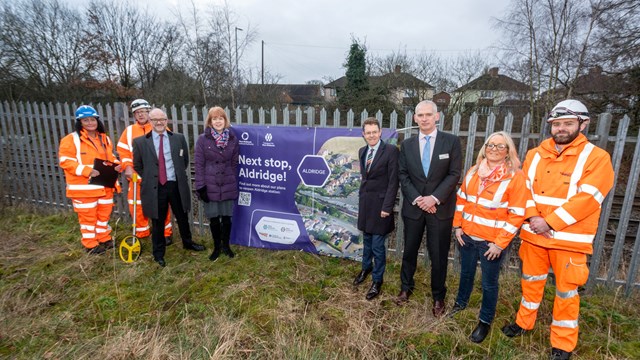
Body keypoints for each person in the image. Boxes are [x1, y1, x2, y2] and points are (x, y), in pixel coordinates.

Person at [501, 100, 614, 360]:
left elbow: (589, 198)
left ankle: (562, 344)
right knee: (530, 283)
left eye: (568, 124)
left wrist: (549, 222)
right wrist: (532, 218)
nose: (561, 129)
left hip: (568, 241)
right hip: (534, 235)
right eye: (557, 124)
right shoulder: (535, 154)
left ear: (583, 124)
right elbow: (524, 191)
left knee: (566, 293)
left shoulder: (596, 158)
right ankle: (523, 323)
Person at [449, 131, 527, 343]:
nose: (494, 149)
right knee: (465, 274)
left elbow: (517, 215)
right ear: (485, 148)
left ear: (508, 151)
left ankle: (484, 321)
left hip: (491, 243)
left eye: (500, 146)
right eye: (490, 145)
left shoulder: (515, 176)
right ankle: (460, 304)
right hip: (467, 236)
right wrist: (457, 227)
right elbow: (462, 200)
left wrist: (499, 244)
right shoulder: (474, 171)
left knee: (488, 283)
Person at [396, 100, 462, 317]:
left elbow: (454, 174)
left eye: (428, 114)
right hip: (414, 209)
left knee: (439, 254)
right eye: (420, 115)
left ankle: (438, 296)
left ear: (437, 117)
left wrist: (434, 198)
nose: (424, 118)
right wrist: (418, 199)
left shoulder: (451, 142)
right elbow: (403, 175)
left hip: (439, 210)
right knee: (409, 251)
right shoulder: (407, 145)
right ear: (414, 118)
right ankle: (406, 288)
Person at [133, 108, 205, 267]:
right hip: (155, 188)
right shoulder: (140, 142)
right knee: (157, 221)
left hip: (175, 184)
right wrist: (152, 177)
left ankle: (188, 242)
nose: (159, 122)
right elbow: (138, 165)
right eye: (155, 119)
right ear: (150, 122)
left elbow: (184, 160)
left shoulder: (178, 138)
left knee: (182, 216)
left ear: (167, 121)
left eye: (162, 119)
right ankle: (158, 253)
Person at [59, 105, 121, 254]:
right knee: (88, 218)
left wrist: (117, 165)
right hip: (84, 188)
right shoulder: (71, 140)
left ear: (97, 120)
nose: (89, 123)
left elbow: (109, 157)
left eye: (92, 119)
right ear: (79, 122)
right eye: (85, 120)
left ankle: (104, 238)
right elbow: (65, 161)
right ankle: (90, 245)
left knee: (103, 215)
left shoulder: (104, 138)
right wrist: (87, 171)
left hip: (104, 186)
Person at [352, 117, 399, 300]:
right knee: (367, 242)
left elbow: (393, 181)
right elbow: (366, 179)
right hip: (366, 204)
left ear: (380, 132)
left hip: (381, 207)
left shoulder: (391, 151)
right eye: (368, 132)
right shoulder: (362, 151)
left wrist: (387, 207)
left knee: (378, 246)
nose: (371, 135)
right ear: (364, 134)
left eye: (374, 132)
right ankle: (366, 268)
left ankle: (377, 280)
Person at [117, 99, 173, 245]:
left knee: (161, 205)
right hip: (136, 177)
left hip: (157, 176)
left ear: (149, 112)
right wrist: (127, 167)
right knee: (137, 205)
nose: (141, 115)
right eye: (137, 112)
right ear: (134, 115)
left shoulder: (159, 127)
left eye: (143, 111)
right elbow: (123, 153)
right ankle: (142, 233)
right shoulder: (128, 131)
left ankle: (165, 233)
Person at [194, 106, 239, 262]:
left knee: (227, 217)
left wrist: (231, 178)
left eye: (221, 118)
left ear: (225, 120)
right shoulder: (202, 139)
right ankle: (216, 247)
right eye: (215, 118)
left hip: (227, 182)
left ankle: (226, 246)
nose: (218, 121)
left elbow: (234, 163)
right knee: (214, 218)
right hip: (210, 183)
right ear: (210, 121)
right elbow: (199, 164)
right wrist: (200, 186)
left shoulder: (232, 139)